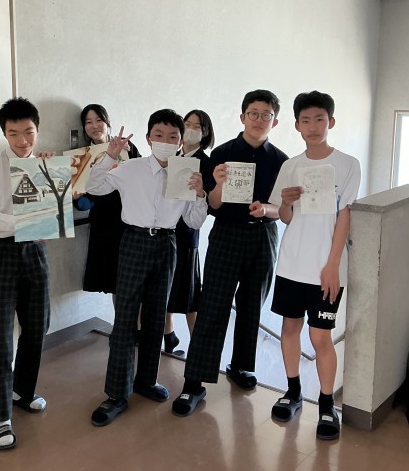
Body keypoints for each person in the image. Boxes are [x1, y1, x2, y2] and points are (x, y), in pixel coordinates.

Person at [86, 109, 208, 427]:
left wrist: (200, 194)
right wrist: (109, 156)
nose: (165, 141)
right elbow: (94, 188)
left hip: (167, 245)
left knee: (156, 317)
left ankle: (146, 381)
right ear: (148, 138)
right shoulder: (131, 168)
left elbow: (194, 221)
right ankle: (116, 394)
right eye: (159, 135)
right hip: (134, 241)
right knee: (126, 318)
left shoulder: (185, 173)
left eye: (173, 136)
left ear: (180, 141)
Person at [172, 89, 288, 417]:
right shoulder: (221, 154)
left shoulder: (282, 161)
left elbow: (282, 209)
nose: (259, 120)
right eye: (253, 113)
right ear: (242, 117)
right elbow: (212, 204)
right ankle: (194, 382)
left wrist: (266, 210)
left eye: (266, 115)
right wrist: (219, 184)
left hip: (263, 237)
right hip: (226, 234)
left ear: (274, 121)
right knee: (213, 306)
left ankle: (241, 366)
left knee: (252, 306)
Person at [268, 91, 360, 441]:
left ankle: (326, 404)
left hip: (326, 268)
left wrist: (333, 265)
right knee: (289, 329)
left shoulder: (347, 164)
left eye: (319, 119)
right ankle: (292, 393)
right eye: (305, 120)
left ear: (330, 122)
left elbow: (344, 215)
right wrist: (286, 203)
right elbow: (286, 217)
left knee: (320, 336)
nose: (312, 126)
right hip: (292, 264)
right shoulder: (290, 166)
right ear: (296, 126)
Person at [0, 97, 51, 450]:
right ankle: (0, 416)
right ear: (4, 133)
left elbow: (57, 210)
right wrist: (27, 222)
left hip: (35, 251)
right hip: (0, 254)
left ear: (37, 129)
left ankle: (22, 391)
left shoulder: (47, 164)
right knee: (0, 337)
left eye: (29, 132)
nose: (23, 140)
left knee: (37, 327)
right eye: (14, 133)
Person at [75, 104, 141, 301]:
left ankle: (133, 321)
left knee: (131, 278)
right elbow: (86, 203)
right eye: (88, 122)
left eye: (99, 120)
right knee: (114, 281)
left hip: (129, 221)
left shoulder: (126, 146)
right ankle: (120, 320)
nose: (94, 125)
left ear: (107, 123)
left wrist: (130, 154)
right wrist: (77, 198)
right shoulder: (82, 157)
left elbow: (142, 177)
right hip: (103, 223)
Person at [163, 109, 215, 354]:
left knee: (189, 293)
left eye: (198, 126)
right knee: (165, 288)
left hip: (187, 234)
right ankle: (169, 336)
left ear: (205, 133)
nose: (191, 129)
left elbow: (212, 203)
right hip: (166, 229)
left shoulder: (207, 163)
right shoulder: (171, 157)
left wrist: (200, 192)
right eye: (187, 123)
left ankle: (198, 347)